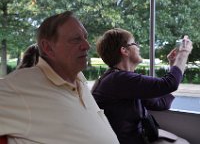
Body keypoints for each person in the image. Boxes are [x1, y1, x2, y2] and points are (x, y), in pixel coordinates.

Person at [0, 11, 119, 144]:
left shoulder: (78, 79)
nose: (87, 45)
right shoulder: (20, 86)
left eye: (85, 37)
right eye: (76, 39)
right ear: (48, 48)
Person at [92, 28, 193, 144]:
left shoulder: (122, 81)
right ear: (124, 50)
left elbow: (161, 103)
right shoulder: (118, 80)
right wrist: (183, 53)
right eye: (135, 43)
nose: (138, 47)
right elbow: (169, 84)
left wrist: (173, 66)